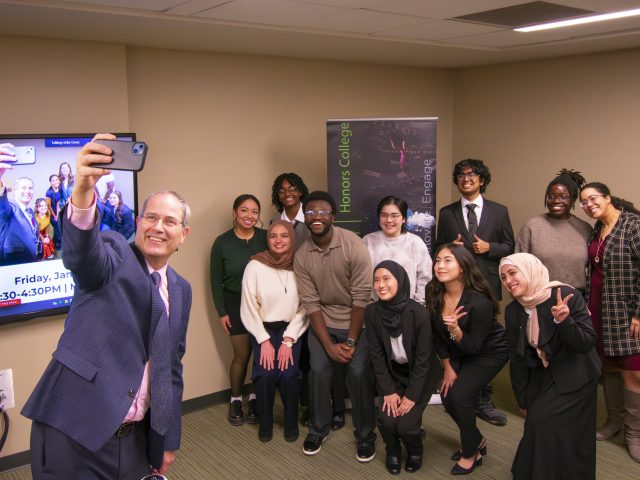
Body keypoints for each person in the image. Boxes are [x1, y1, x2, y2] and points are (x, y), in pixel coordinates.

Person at [21, 133, 192, 478]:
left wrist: (168, 440)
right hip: (75, 429)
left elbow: (170, 369)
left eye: (170, 221)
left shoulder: (181, 290)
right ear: (139, 222)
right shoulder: (114, 253)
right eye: (151, 217)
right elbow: (83, 253)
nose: (158, 227)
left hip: (134, 441)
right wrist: (83, 189)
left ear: (183, 234)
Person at [500, 253, 601, 479]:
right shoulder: (513, 310)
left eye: (513, 273)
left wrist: (564, 322)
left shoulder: (564, 295)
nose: (508, 280)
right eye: (503, 277)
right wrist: (522, 397)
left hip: (577, 371)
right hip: (544, 372)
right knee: (537, 421)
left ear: (529, 270)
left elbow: (586, 343)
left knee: (544, 421)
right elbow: (516, 357)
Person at [294, 191, 376, 462]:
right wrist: (328, 345)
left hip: (357, 322)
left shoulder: (354, 245)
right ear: (304, 217)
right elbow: (311, 302)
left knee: (358, 372)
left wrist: (351, 342)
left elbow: (362, 297)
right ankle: (319, 428)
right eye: (310, 212)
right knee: (317, 370)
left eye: (322, 212)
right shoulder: (302, 253)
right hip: (323, 323)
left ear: (332, 216)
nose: (316, 217)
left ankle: (365, 435)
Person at [435, 158, 514, 426]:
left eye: (472, 174)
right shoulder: (446, 213)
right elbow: (438, 248)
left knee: (482, 339)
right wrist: (450, 245)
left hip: (486, 286)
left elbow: (509, 246)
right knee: (458, 333)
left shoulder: (499, 211)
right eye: (460, 174)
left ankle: (483, 397)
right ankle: (463, 390)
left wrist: (490, 247)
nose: (466, 178)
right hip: (456, 285)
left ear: (482, 180)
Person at [426, 243, 507, 475]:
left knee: (460, 396)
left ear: (462, 267)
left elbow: (473, 346)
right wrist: (447, 366)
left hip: (489, 352)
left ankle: (470, 452)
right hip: (457, 350)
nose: (440, 265)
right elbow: (436, 335)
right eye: (438, 260)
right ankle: (478, 440)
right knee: (446, 394)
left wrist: (456, 330)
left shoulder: (479, 302)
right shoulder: (433, 290)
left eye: (448, 260)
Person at [579, 182, 640, 461]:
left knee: (633, 371)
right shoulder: (596, 229)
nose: (589, 204)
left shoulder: (633, 225)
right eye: (584, 202)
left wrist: (639, 312)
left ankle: (634, 432)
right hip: (599, 307)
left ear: (607, 197)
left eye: (593, 198)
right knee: (609, 367)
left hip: (626, 311)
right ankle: (614, 420)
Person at [366, 260, 442, 474]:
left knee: (406, 426)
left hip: (421, 375)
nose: (380, 285)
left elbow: (423, 360)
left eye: (386, 279)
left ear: (400, 280)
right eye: (376, 280)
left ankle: (415, 450)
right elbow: (377, 356)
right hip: (393, 374)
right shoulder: (372, 312)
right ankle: (392, 450)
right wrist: (388, 390)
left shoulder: (419, 313)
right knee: (387, 421)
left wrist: (411, 396)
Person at [240, 220, 308, 442]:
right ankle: (265, 424)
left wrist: (289, 339)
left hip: (291, 328)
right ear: (267, 239)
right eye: (273, 236)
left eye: (284, 236)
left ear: (292, 238)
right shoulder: (255, 266)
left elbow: (307, 305)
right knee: (266, 374)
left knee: (289, 375)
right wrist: (263, 341)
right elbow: (249, 307)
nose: (278, 240)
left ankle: (290, 424)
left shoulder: (301, 265)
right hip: (263, 328)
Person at [210, 194, 268, 426]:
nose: (250, 216)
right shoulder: (222, 242)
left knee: (260, 354)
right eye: (244, 210)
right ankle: (236, 399)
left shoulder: (266, 237)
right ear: (235, 213)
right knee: (242, 355)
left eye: (255, 211)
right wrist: (221, 311)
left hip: (263, 304)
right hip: (235, 304)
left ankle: (254, 397)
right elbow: (215, 280)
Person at [516, 169, 592, 294]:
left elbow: (594, 270)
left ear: (572, 200)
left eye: (563, 197)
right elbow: (518, 266)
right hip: (540, 297)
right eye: (551, 196)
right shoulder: (532, 226)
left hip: (577, 300)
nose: (556, 201)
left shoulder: (585, 229)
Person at [363, 195, 432, 305]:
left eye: (394, 216)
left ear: (404, 218)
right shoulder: (368, 241)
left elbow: (426, 277)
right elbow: (360, 276)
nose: (389, 220)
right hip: (375, 307)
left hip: (408, 308)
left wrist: (417, 304)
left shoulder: (415, 242)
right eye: (384, 215)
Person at [0, 171, 42, 265]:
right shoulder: (9, 208)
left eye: (30, 188)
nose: (27, 191)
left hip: (31, 265)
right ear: (15, 190)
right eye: (23, 188)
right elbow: (1, 202)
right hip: (12, 267)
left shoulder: (30, 211)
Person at [46, 174, 65, 250]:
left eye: (57, 179)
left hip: (57, 212)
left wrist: (59, 212)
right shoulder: (49, 193)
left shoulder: (60, 189)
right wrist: (55, 216)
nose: (56, 181)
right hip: (51, 214)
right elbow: (49, 207)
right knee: (58, 228)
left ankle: (55, 240)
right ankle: (57, 245)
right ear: (51, 182)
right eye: (53, 180)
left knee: (60, 227)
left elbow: (58, 202)